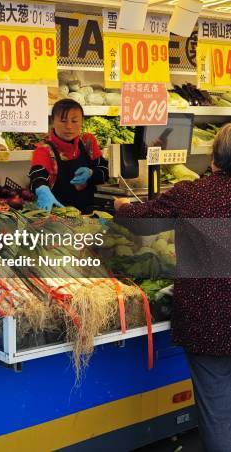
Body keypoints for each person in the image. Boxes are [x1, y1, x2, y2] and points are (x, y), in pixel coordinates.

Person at [114, 123, 231, 452]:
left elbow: (139, 221)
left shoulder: (192, 194)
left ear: (214, 160)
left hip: (210, 322)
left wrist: (121, 207)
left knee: (218, 411)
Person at [29, 99, 108, 214]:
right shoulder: (44, 149)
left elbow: (104, 171)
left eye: (74, 121)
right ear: (52, 121)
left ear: (82, 121)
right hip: (59, 216)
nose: (69, 126)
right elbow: (38, 175)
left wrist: (91, 173)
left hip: (91, 214)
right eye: (63, 121)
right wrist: (42, 189)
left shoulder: (88, 142)